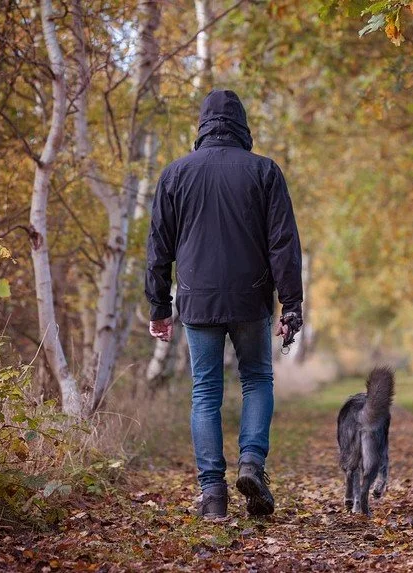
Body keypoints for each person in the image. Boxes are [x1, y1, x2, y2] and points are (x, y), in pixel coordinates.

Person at [145, 89, 303, 519]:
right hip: (252, 298)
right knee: (256, 380)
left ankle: (213, 493)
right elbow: (283, 244)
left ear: (202, 124)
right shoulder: (264, 172)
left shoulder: (175, 174)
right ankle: (251, 462)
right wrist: (291, 304)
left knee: (205, 392)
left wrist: (160, 306)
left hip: (197, 301)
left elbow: (159, 247)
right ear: (242, 124)